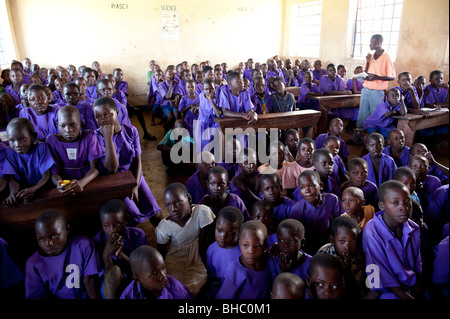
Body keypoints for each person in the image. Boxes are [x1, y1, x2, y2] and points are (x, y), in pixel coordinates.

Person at [94, 97, 163, 228]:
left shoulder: (131, 131)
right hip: (113, 183)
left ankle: (164, 242)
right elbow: (111, 169)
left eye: (108, 114)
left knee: (156, 213)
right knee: (133, 216)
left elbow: (137, 160)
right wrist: (108, 137)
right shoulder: (95, 137)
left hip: (133, 177)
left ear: (117, 113)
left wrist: (135, 185)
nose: (103, 120)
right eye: (98, 117)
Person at [362, 180, 422, 299]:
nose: (403, 207)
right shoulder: (372, 231)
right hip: (385, 287)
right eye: (395, 203)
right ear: (382, 206)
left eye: (407, 202)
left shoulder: (413, 228)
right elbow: (381, 274)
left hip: (410, 283)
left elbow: (417, 265)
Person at [25, 209, 100, 299]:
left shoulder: (83, 245)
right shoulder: (34, 263)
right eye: (41, 239)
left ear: (67, 229)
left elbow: (90, 280)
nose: (48, 244)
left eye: (54, 236)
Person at [156, 183, 215, 296]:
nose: (173, 209)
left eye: (178, 202)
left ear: (188, 198)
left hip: (196, 254)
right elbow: (161, 252)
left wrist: (203, 260)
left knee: (199, 280)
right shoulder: (164, 227)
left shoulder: (201, 212)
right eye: (168, 205)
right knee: (173, 282)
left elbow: (203, 244)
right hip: (175, 258)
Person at [93, 199, 148, 299]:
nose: (112, 230)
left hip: (134, 280)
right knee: (114, 271)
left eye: (117, 224)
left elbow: (142, 270)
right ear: (101, 224)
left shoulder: (137, 235)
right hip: (110, 289)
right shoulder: (97, 241)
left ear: (126, 220)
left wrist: (120, 255)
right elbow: (106, 277)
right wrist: (106, 256)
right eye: (106, 226)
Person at [46, 106, 103, 197]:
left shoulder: (89, 136)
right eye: (63, 126)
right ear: (57, 125)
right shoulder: (52, 141)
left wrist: (82, 183)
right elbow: (54, 172)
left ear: (81, 124)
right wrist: (59, 184)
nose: (68, 130)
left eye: (73, 125)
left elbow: (94, 169)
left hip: (88, 182)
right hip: (65, 188)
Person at [351, 34, 396, 145]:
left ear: (379, 43)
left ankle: (375, 140)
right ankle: (359, 139)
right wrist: (367, 61)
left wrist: (375, 77)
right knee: (362, 114)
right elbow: (366, 72)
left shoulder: (386, 57)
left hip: (377, 91)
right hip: (366, 89)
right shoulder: (371, 56)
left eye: (372, 42)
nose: (370, 44)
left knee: (376, 115)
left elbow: (391, 76)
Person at [2, 118, 55, 207]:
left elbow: (46, 176)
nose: (17, 145)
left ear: (33, 137)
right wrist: (13, 193)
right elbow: (13, 179)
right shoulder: (10, 152)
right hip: (24, 192)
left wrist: (33, 189)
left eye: (22, 139)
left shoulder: (41, 148)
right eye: (12, 140)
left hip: (42, 189)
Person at [289, 170, 343, 255]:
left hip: (330, 246)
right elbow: (296, 235)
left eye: (310, 186)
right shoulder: (297, 209)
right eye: (302, 187)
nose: (307, 190)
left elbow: (338, 223)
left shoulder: (332, 199)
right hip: (308, 249)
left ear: (320, 185)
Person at [215, 220, 272, 299]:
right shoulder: (235, 271)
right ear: (240, 244)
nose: (251, 252)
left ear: (265, 246)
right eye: (245, 245)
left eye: (257, 246)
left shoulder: (268, 261)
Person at [317, 215, 368, 298]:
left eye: (352, 242)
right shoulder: (324, 254)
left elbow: (358, 288)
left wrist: (347, 272)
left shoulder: (358, 257)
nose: (347, 247)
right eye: (342, 241)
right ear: (332, 240)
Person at [120, 245, 193, 299]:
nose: (163, 275)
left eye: (163, 268)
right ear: (138, 279)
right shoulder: (130, 295)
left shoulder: (175, 287)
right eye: (155, 273)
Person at [204, 206, 244, 299]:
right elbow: (211, 274)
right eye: (219, 230)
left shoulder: (244, 251)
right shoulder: (211, 249)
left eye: (230, 233)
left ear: (238, 233)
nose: (223, 236)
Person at [267, 219, 311, 283]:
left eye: (291, 241)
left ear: (303, 242)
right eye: (281, 240)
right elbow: (272, 289)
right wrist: (282, 273)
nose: (285, 245)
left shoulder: (310, 264)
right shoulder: (272, 260)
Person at [193, 78, 222, 156]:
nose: (209, 91)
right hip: (201, 124)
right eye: (206, 89)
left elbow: (218, 114)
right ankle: (201, 165)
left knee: (209, 146)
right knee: (199, 145)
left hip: (211, 126)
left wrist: (211, 100)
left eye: (211, 88)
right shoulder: (201, 95)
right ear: (203, 89)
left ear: (215, 89)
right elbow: (201, 104)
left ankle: (210, 164)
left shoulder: (217, 100)